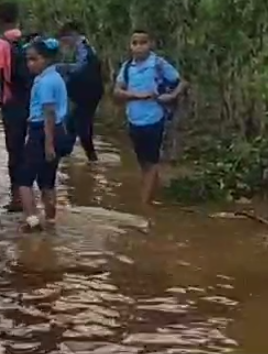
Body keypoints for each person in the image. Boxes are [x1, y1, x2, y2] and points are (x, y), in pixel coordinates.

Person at [113, 29, 188, 205]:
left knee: (152, 162)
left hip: (155, 119)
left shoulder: (158, 64)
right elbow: (117, 91)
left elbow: (182, 82)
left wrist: (171, 96)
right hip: (134, 120)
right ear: (130, 46)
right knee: (144, 163)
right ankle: (152, 194)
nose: (138, 47)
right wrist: (137, 96)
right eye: (135, 43)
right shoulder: (126, 68)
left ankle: (145, 205)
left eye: (143, 42)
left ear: (151, 44)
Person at [18, 37, 72, 228]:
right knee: (47, 181)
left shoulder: (46, 82)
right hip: (56, 130)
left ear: (46, 59)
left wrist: (48, 144)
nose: (29, 64)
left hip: (41, 131)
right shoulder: (55, 77)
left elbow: (48, 112)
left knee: (23, 179)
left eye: (34, 59)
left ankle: (32, 221)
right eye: (28, 60)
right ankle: (50, 220)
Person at [0, 1, 32, 212]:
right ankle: (30, 192)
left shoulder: (0, 44)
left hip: (11, 102)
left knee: (14, 150)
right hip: (32, 101)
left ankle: (17, 197)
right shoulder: (26, 40)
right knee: (29, 148)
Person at [56, 20, 104, 162]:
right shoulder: (84, 47)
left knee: (82, 127)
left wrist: (61, 68)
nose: (65, 44)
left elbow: (81, 68)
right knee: (71, 124)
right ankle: (65, 157)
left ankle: (92, 160)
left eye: (65, 40)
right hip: (84, 93)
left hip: (87, 94)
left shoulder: (82, 47)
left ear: (72, 35)